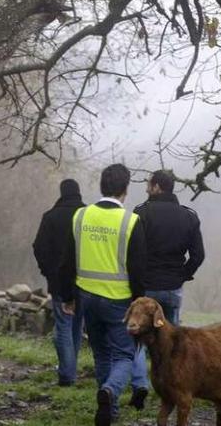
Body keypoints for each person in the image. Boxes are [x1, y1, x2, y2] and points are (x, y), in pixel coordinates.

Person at [58, 164, 146, 426]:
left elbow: (67, 261)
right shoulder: (131, 221)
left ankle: (111, 410)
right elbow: (138, 269)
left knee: (102, 354)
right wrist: (139, 302)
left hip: (87, 298)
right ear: (126, 189)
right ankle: (110, 391)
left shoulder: (80, 216)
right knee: (125, 355)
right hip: (120, 301)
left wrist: (67, 296)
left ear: (101, 186)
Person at [128, 169, 205, 409]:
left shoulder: (141, 213)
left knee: (138, 338)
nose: (147, 188)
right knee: (172, 342)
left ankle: (141, 383)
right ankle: (174, 387)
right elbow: (198, 255)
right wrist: (182, 275)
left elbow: (134, 254)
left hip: (146, 289)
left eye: (149, 184)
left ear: (157, 186)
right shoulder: (189, 217)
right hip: (173, 287)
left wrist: (136, 282)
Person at [32, 179, 86, 386]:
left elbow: (38, 247)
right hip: (85, 281)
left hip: (58, 281)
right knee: (76, 326)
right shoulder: (87, 215)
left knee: (63, 327)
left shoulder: (50, 217)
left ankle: (67, 374)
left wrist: (47, 272)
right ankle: (70, 370)